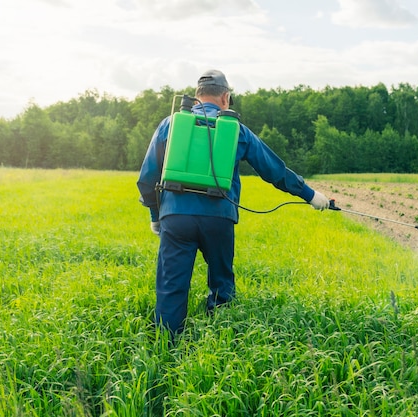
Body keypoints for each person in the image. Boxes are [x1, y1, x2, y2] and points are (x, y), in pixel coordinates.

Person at [136, 69, 329, 336]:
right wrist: (310, 195)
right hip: (219, 218)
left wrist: (156, 216)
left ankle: (167, 347)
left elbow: (146, 179)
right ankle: (220, 341)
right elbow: (274, 170)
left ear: (196, 97)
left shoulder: (171, 124)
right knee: (221, 283)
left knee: (171, 286)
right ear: (225, 98)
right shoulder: (237, 130)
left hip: (176, 218)